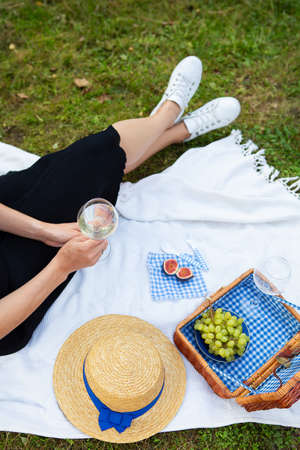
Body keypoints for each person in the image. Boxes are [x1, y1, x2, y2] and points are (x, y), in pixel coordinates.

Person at [0, 56, 240, 355]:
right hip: (12, 298)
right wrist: (61, 267)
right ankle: (174, 130)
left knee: (89, 157)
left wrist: (42, 230)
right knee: (98, 166)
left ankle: (166, 116)